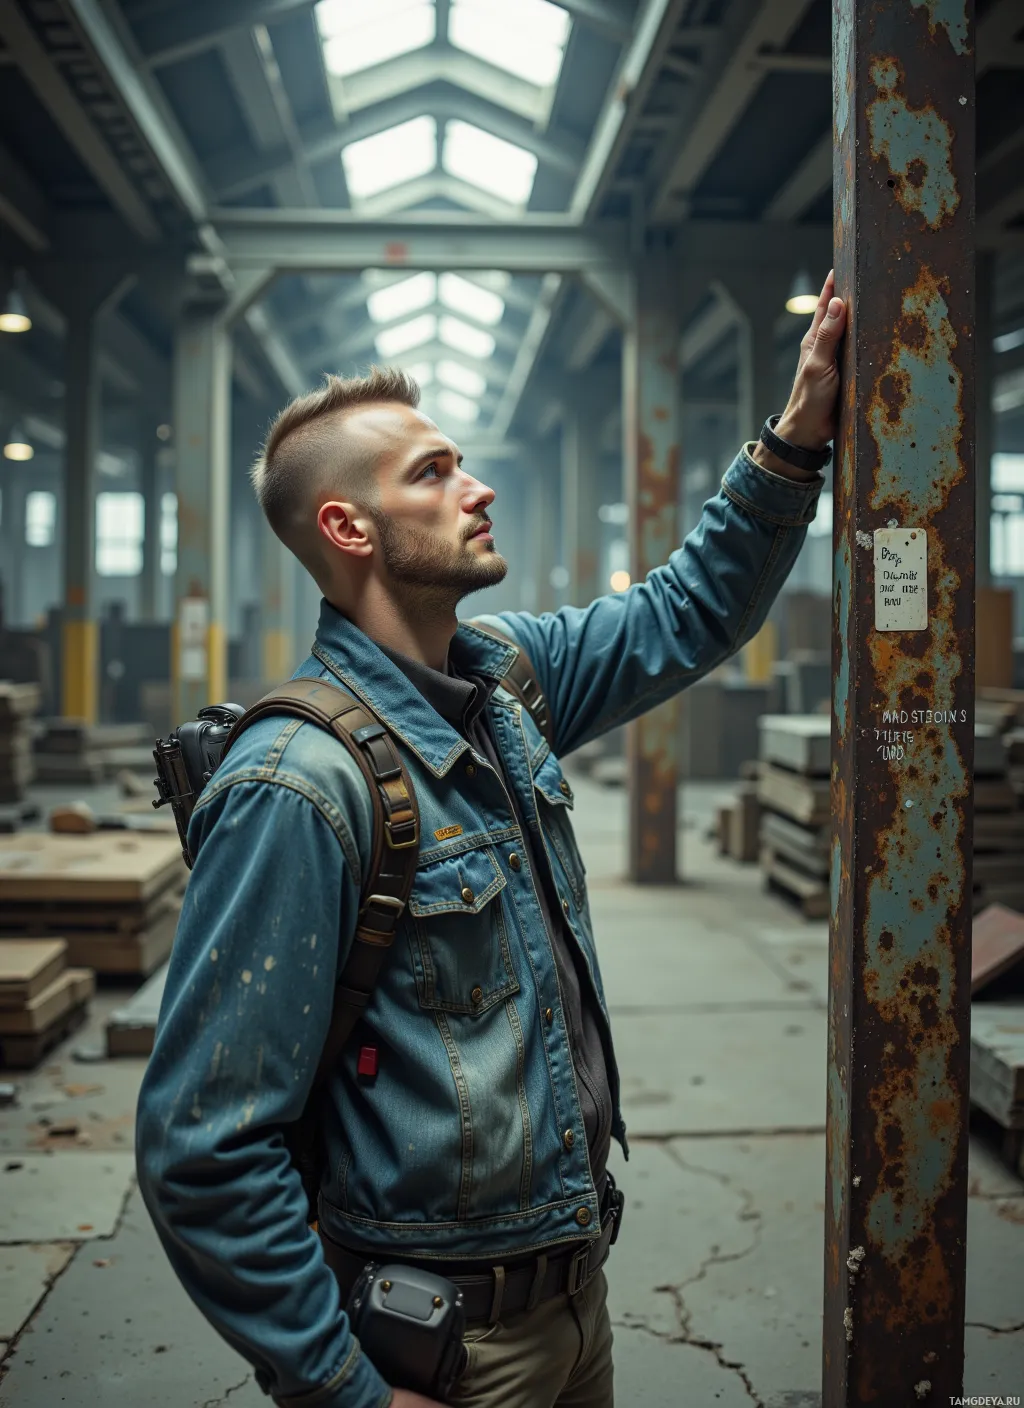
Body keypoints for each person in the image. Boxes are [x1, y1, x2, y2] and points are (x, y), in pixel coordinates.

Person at [136, 273, 847, 1408]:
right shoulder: (299, 786)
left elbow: (685, 611)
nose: (480, 486)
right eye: (434, 472)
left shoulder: (504, 682)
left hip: (573, 1298)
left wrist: (797, 435)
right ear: (346, 526)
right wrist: (343, 1391)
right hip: (445, 1350)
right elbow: (201, 1146)